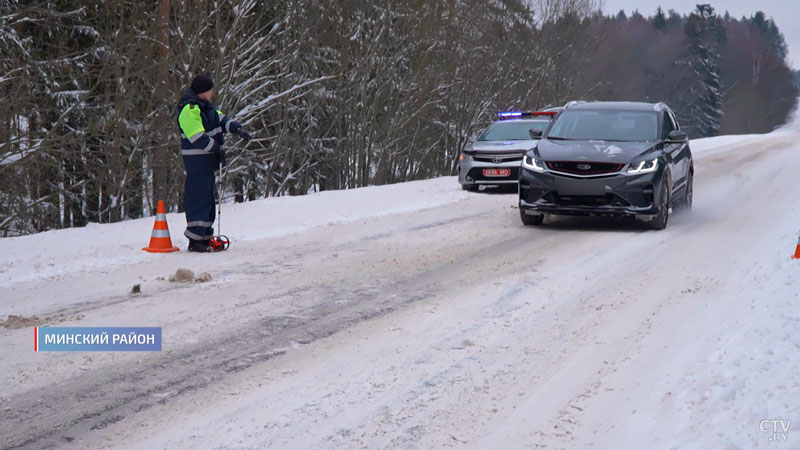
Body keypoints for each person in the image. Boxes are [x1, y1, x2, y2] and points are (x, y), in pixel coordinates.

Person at [176, 75, 251, 252]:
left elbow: (221, 119)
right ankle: (195, 240)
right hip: (197, 162)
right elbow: (197, 137)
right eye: (210, 89)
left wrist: (237, 129)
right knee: (199, 200)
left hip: (207, 161)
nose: (212, 92)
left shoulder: (206, 108)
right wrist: (216, 148)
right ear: (202, 91)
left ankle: (205, 237)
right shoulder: (189, 109)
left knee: (208, 200)